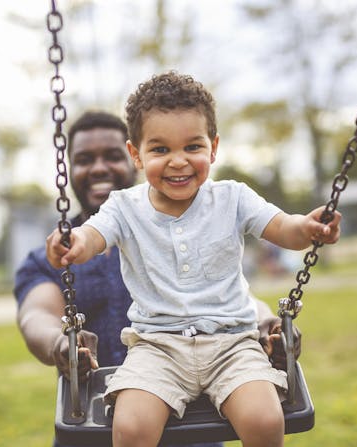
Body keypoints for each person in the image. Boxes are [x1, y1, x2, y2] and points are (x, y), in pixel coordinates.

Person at [46, 72, 341, 447]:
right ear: (135, 154)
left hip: (233, 343)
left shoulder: (234, 198)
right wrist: (73, 242)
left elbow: (284, 228)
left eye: (192, 147)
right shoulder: (123, 206)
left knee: (265, 420)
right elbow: (92, 235)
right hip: (157, 348)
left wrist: (309, 227)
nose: (178, 162)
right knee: (131, 428)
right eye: (160, 150)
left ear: (213, 148)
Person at [14, 110, 292, 447]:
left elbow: (231, 295)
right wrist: (59, 343)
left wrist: (268, 324)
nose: (99, 168)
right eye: (85, 159)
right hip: (101, 432)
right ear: (69, 168)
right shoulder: (55, 253)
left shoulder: (194, 225)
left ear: (133, 160)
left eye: (112, 156)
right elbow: (36, 315)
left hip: (193, 435)